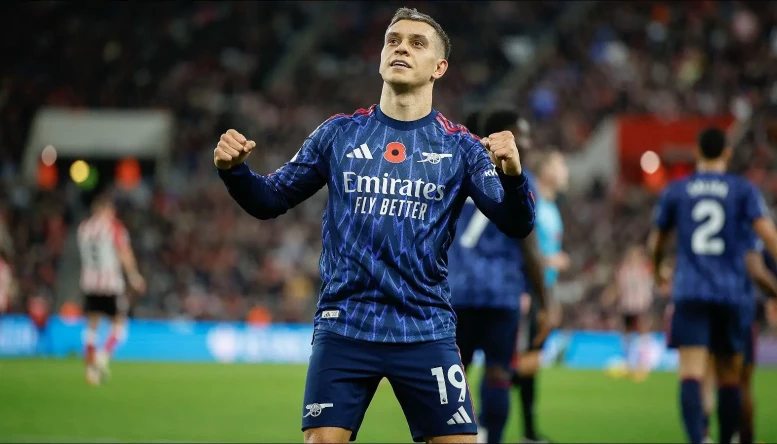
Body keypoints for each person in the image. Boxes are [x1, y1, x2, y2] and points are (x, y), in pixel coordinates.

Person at [213, 8, 536, 444]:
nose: (401, 48)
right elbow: (269, 199)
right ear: (381, 56)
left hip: (425, 327)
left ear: (439, 68)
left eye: (417, 43)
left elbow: (516, 223)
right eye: (393, 40)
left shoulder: (461, 147)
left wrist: (514, 177)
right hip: (345, 325)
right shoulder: (338, 135)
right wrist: (235, 172)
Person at [648, 126, 777, 444]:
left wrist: (658, 270)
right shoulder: (743, 190)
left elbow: (658, 241)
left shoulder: (678, 190)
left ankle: (698, 439)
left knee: (691, 372)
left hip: (691, 290)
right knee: (730, 375)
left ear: (696, 151)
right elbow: (768, 236)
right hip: (732, 292)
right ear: (727, 154)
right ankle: (726, 438)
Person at [449, 109, 547, 444]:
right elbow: (529, 247)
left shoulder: (456, 170)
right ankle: (492, 439)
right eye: (520, 135)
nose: (527, 143)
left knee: (452, 376)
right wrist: (546, 301)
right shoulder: (519, 177)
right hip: (501, 292)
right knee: (498, 374)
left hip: (457, 291)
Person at [511, 147, 568, 444]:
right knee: (525, 361)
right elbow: (524, 248)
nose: (565, 171)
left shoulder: (551, 206)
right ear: (545, 171)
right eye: (560, 164)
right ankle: (492, 414)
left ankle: (528, 431)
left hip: (544, 291)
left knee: (531, 363)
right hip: (531, 292)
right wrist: (550, 261)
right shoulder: (535, 204)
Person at [700, 230, 777, 444]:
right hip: (739, 310)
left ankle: (704, 437)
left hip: (703, 307)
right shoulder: (747, 227)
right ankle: (742, 438)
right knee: (741, 383)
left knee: (706, 379)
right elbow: (758, 271)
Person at [77, 194, 146, 385]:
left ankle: (90, 369)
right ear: (106, 210)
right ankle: (103, 356)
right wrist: (134, 276)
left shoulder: (83, 228)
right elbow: (124, 253)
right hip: (110, 284)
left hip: (89, 283)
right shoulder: (114, 228)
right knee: (119, 326)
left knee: (91, 327)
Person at [614, 245, 655, 381]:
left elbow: (651, 285)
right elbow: (619, 287)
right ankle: (628, 363)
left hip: (641, 306)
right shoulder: (623, 269)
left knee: (643, 333)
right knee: (626, 334)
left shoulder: (645, 269)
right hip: (627, 305)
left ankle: (644, 365)